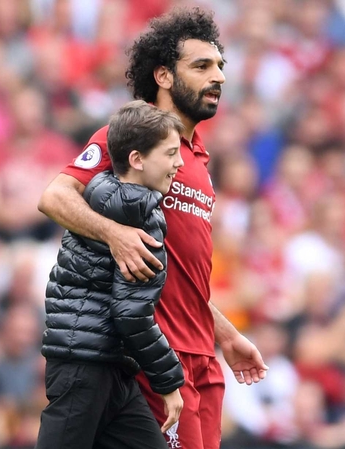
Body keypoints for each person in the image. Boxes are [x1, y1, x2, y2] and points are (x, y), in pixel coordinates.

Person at [38, 7, 268, 449]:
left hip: (202, 356)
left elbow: (179, 273)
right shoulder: (130, 137)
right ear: (163, 76)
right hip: (156, 355)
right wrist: (115, 234)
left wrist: (226, 334)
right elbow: (55, 196)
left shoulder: (196, 158)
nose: (218, 76)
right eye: (201, 66)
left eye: (221, 65)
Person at [37, 100, 186, 449]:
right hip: (86, 366)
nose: (179, 163)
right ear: (136, 160)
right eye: (170, 154)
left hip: (107, 364)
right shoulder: (143, 213)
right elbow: (131, 313)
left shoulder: (95, 194)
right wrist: (169, 381)